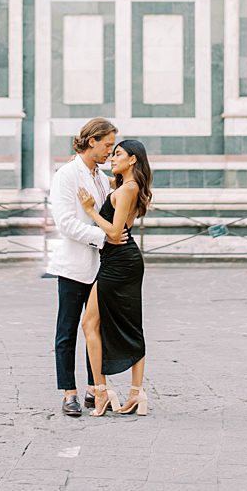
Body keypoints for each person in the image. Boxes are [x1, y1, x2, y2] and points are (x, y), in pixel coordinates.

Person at [78, 137, 153, 416]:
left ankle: (101, 390)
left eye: (118, 153)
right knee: (125, 324)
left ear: (133, 159)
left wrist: (89, 211)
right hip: (122, 262)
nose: (112, 157)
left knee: (90, 324)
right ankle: (135, 393)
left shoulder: (128, 189)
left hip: (119, 263)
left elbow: (113, 233)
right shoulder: (126, 187)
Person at [47, 117, 116, 418]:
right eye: (107, 145)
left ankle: (93, 389)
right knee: (67, 330)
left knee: (96, 329)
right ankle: (68, 393)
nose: (110, 152)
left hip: (100, 266)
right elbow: (65, 223)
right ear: (92, 141)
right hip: (73, 265)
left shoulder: (101, 177)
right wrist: (104, 237)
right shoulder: (66, 175)